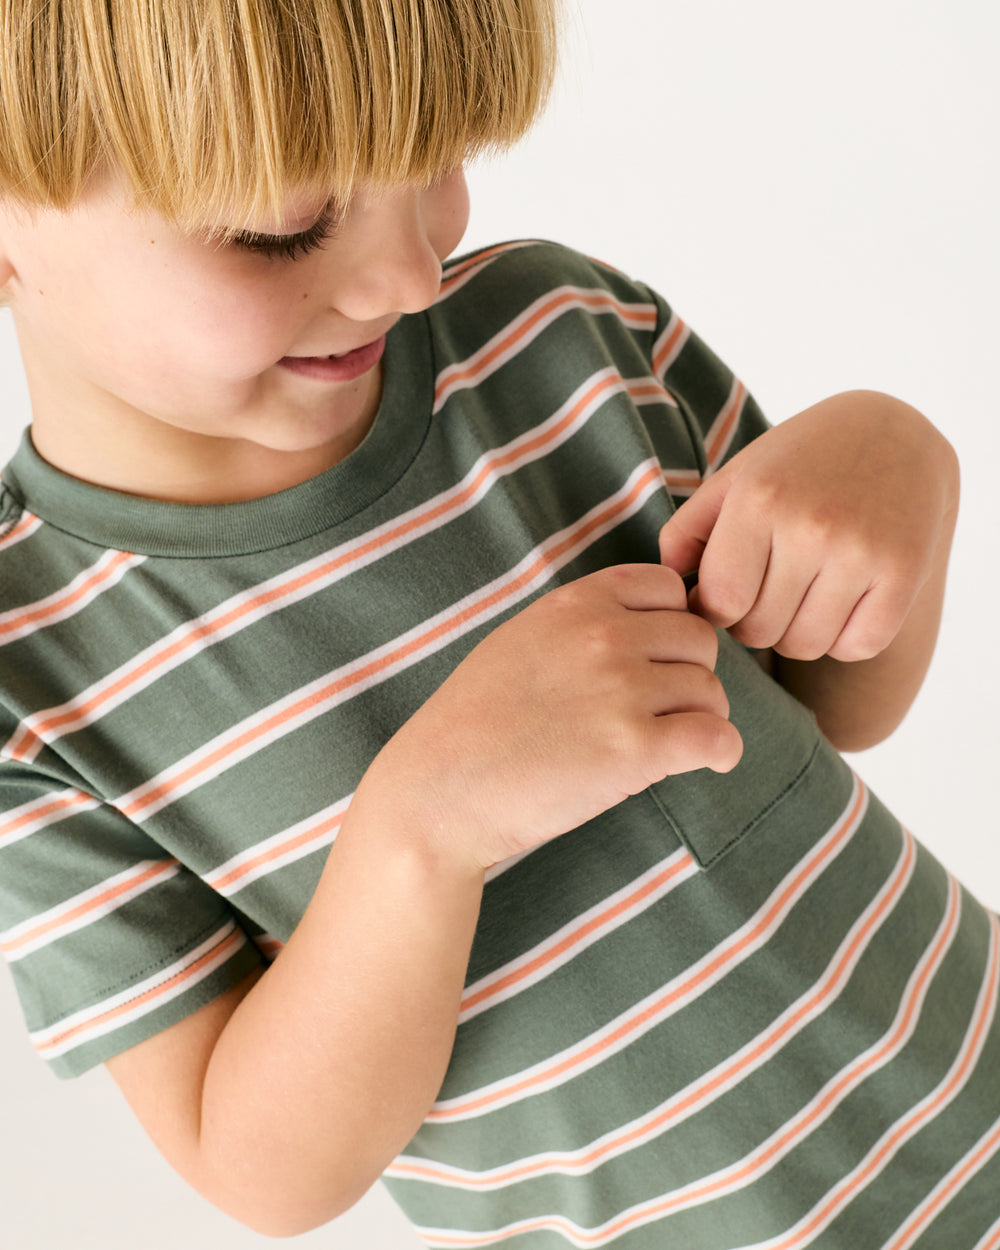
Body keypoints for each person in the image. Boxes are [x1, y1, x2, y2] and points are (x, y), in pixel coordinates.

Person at [0, 2, 997, 1247]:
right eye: (281, 225)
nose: (407, 276)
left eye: (435, 162)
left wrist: (903, 459)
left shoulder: (557, 325)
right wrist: (424, 829)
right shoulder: (31, 679)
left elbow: (834, 708)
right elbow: (261, 1172)